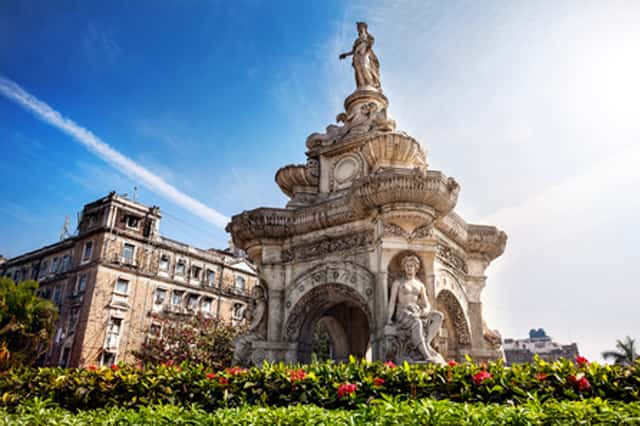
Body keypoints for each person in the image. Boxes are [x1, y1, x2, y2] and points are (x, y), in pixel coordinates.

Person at [387, 255, 444, 363]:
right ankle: (426, 355)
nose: (409, 268)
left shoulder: (420, 285)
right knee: (416, 322)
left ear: (416, 268)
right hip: (402, 312)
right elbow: (392, 302)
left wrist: (423, 312)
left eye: (412, 266)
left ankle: (426, 343)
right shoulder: (398, 283)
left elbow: (427, 305)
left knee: (438, 316)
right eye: (407, 266)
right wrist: (389, 320)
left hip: (417, 312)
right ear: (404, 268)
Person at [339, 22, 381, 90]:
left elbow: (370, 44)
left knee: (364, 67)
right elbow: (353, 50)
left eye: (360, 27)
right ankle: (361, 86)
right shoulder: (357, 40)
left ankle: (371, 84)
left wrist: (366, 50)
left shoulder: (368, 36)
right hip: (356, 56)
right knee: (358, 71)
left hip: (364, 54)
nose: (359, 29)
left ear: (365, 28)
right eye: (358, 28)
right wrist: (345, 54)